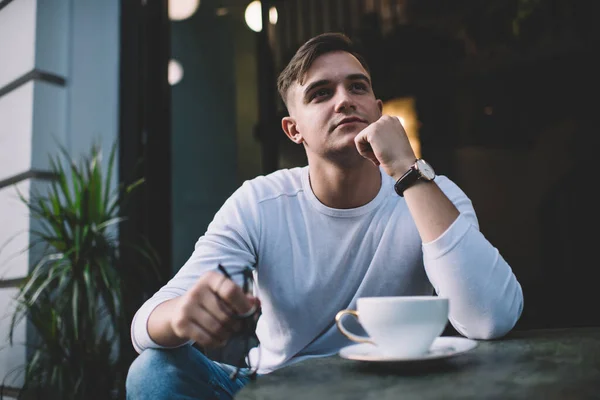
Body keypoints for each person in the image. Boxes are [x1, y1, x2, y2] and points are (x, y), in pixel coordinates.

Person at [125, 32, 524, 399]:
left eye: (357, 86)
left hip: (394, 387)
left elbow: (491, 318)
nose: (344, 99)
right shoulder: (259, 203)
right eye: (320, 93)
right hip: (278, 388)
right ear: (293, 129)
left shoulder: (431, 191)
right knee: (153, 370)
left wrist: (407, 170)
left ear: (379, 110)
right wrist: (181, 317)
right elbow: (144, 328)